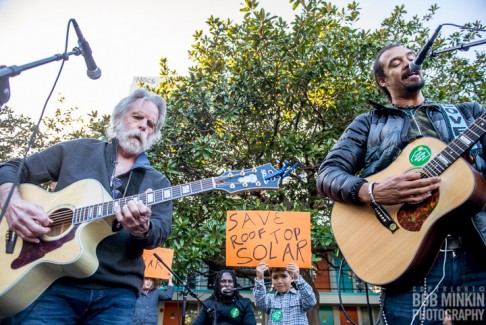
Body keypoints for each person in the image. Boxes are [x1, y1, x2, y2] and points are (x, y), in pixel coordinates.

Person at [317, 43, 486, 324]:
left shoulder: (468, 114)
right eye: (396, 63)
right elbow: (327, 174)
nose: (409, 63)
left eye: (411, 57)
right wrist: (373, 191)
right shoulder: (369, 124)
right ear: (383, 81)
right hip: (409, 260)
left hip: (476, 254)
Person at [0, 88, 172, 323]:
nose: (143, 126)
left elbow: (160, 232)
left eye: (151, 124)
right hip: (52, 283)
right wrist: (11, 203)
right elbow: (12, 168)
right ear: (119, 117)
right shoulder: (77, 151)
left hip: (117, 295)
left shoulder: (158, 183)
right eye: (138, 117)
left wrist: (143, 229)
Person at [192, 269, 256, 325]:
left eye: (230, 281)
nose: (227, 284)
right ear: (218, 285)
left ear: (234, 284)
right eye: (223, 281)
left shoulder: (245, 303)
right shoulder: (208, 303)